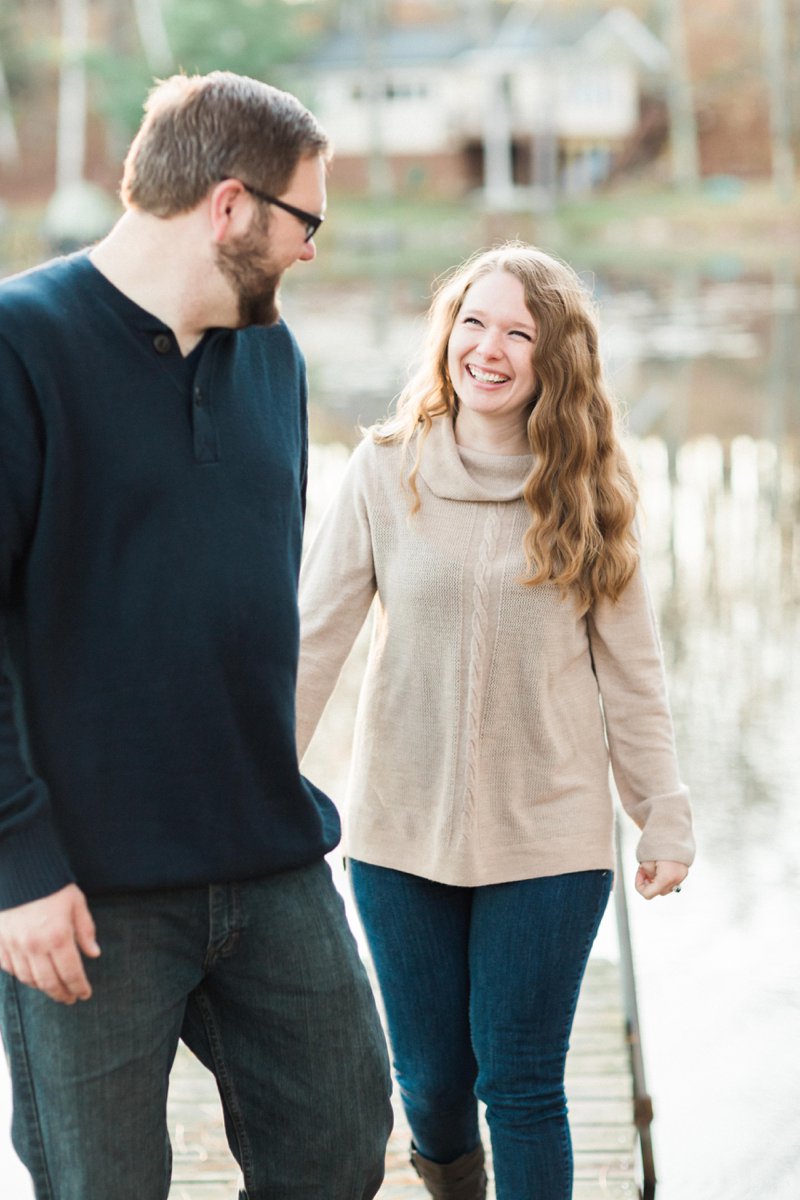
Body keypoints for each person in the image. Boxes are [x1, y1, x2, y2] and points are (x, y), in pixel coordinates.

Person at [0, 72, 392, 1200]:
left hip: (265, 856)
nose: (311, 250)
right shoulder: (20, 350)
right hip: (84, 890)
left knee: (337, 1149)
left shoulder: (273, 359)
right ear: (229, 206)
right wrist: (15, 863)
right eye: (303, 220)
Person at [296, 244, 695, 1200]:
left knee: (520, 1086)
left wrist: (663, 809)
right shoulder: (385, 472)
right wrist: (252, 785)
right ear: (447, 334)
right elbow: (313, 642)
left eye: (520, 333)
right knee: (431, 1085)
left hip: (547, 844)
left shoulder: (591, 497)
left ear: (554, 362)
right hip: (399, 834)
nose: (491, 348)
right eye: (475, 322)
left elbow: (632, 679)